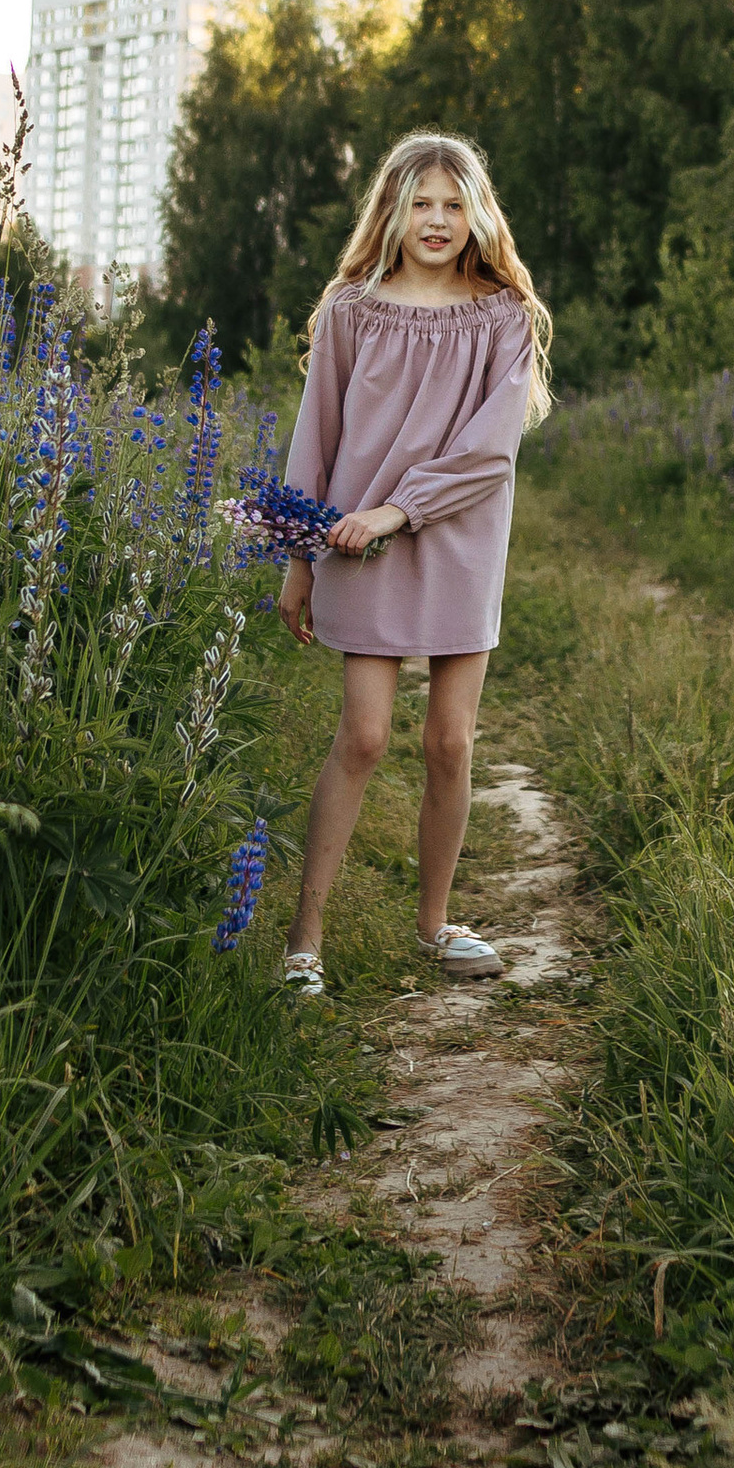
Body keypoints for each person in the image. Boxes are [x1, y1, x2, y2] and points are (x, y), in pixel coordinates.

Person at [270, 131, 553, 998]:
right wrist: (299, 558)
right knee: (361, 737)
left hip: (458, 542)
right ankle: (303, 940)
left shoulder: (502, 315)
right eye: (421, 202)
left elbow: (489, 453)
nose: (437, 220)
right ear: (392, 211)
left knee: (450, 742)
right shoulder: (353, 309)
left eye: (453, 204)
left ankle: (433, 926)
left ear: (478, 215)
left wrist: (401, 508)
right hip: (356, 544)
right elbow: (315, 437)